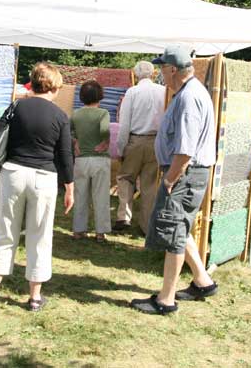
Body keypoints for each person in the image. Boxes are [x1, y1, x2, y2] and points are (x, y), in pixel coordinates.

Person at [130, 46, 218, 315]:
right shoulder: (191, 92)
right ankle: (203, 281)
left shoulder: (189, 98)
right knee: (180, 226)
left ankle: (166, 300)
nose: (160, 75)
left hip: (184, 173)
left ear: (173, 70)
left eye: (162, 69)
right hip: (188, 173)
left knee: (174, 233)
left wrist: (170, 178)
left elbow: (185, 149)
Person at [0, 62, 75, 312]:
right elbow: (66, 156)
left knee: (6, 231)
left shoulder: (16, 106)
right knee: (40, 236)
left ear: (33, 83)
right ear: (55, 86)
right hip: (44, 177)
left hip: (13, 172)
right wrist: (69, 188)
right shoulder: (60, 116)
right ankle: (34, 297)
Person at [114, 61, 166, 233]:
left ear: (136, 74)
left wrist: (121, 148)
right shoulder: (163, 91)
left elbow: (124, 123)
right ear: (153, 73)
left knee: (125, 178)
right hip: (156, 142)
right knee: (149, 185)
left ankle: (124, 216)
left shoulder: (132, 92)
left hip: (135, 141)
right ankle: (147, 225)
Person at [70, 80, 111, 242]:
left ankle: (78, 230)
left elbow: (69, 130)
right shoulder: (103, 113)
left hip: (81, 160)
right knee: (101, 196)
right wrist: (105, 142)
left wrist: (75, 141)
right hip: (100, 159)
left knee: (80, 195)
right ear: (100, 96)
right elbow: (104, 129)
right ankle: (101, 232)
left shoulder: (75, 114)